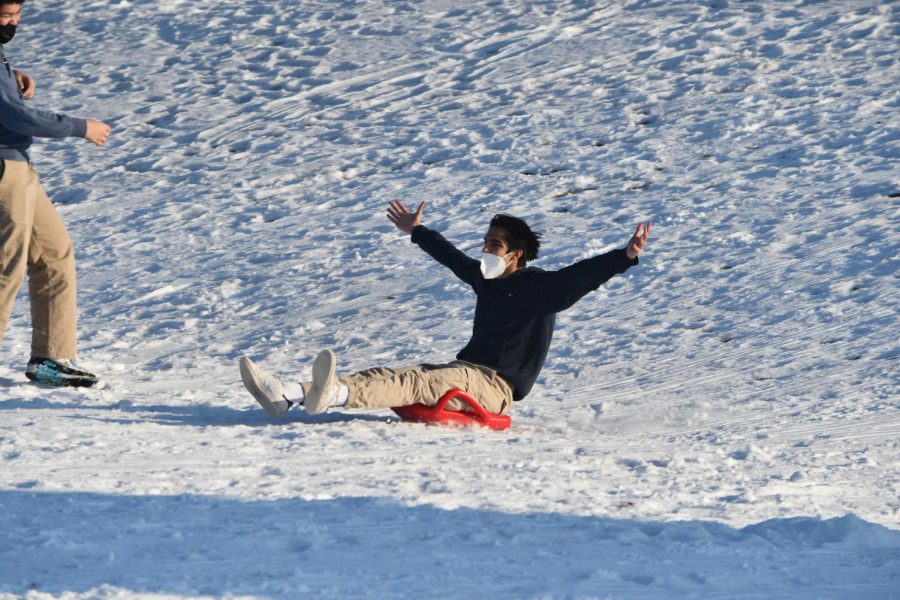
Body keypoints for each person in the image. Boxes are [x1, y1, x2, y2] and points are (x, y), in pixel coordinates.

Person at [241, 200, 650, 418]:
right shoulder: (485, 280)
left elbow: (579, 276)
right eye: (485, 242)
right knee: (404, 374)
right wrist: (416, 231)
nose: (485, 250)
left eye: (494, 245)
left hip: (494, 388)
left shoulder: (539, 287)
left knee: (417, 383)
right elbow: (450, 256)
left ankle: (333, 394)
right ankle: (289, 395)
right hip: (466, 373)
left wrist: (624, 256)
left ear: (516, 255)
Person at [0, 0, 111, 387]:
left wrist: (12, 76)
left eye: (17, 16)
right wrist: (80, 127)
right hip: (2, 170)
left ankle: (52, 357)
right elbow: (17, 117)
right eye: (4, 16)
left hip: (18, 166)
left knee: (54, 253)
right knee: (5, 266)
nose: (13, 23)